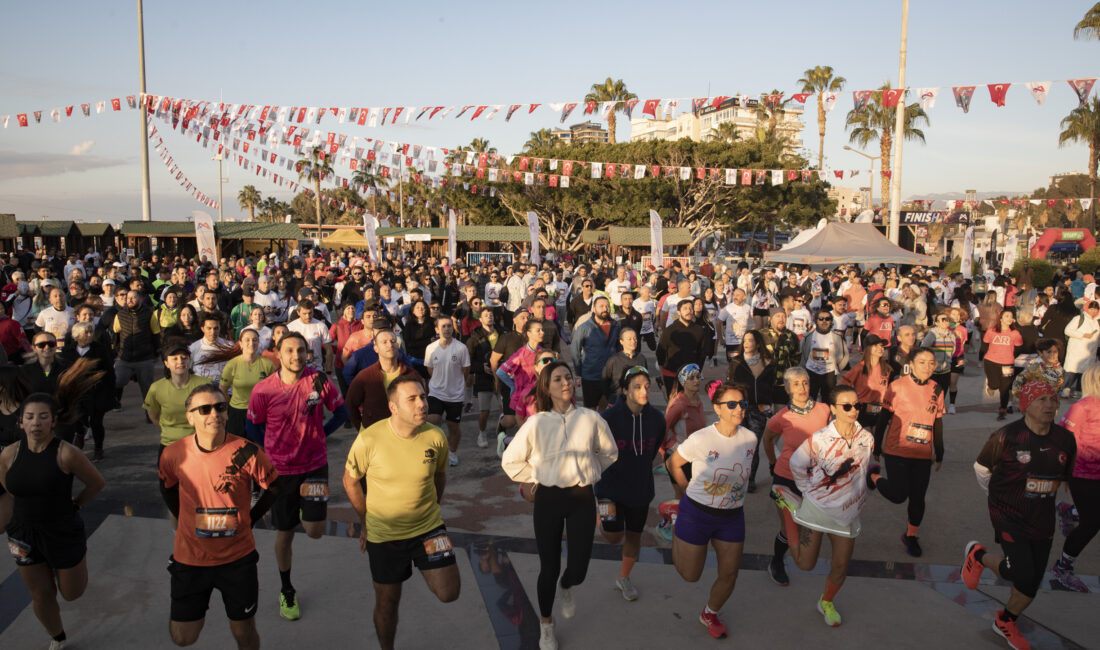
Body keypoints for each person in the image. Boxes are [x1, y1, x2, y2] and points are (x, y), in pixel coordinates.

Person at [501, 361, 617, 650]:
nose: (565, 382)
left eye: (568, 377)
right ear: (546, 387)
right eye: (557, 379)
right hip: (548, 500)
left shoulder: (591, 419)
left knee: (578, 567)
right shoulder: (536, 423)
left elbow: (609, 453)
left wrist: (591, 471)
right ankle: (546, 625)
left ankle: (568, 586)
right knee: (548, 567)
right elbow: (510, 461)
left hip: (581, 499)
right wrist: (536, 476)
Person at [158, 384, 282, 650]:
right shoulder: (172, 454)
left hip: (237, 561)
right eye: (204, 409)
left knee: (243, 632)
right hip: (190, 560)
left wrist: (249, 516)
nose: (214, 413)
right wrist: (183, 518)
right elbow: (167, 488)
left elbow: (272, 488)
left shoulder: (248, 451)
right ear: (190, 417)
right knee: (183, 637)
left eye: (220, 407)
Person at [342, 376, 460, 650]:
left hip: (429, 529)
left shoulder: (435, 436)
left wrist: (432, 511)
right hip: (385, 536)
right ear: (393, 407)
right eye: (412, 399)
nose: (422, 403)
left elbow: (439, 478)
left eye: (423, 396)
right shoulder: (369, 439)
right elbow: (350, 480)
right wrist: (365, 520)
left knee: (450, 592)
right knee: (387, 603)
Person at [962, 381, 1076, 650]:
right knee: (1023, 573)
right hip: (1008, 513)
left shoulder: (1064, 439)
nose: (1049, 405)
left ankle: (1005, 621)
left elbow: (1065, 477)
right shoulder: (1007, 436)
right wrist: (995, 495)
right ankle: (978, 556)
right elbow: (981, 467)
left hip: (1042, 517)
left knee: (1032, 583)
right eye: (1041, 400)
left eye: (1053, 399)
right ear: (1026, 404)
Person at [245, 333, 348, 620]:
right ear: (277, 353)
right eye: (289, 350)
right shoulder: (263, 390)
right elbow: (252, 427)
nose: (296, 355)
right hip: (280, 474)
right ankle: (286, 589)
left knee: (314, 531)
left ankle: (307, 506)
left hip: (314, 466)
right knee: (285, 533)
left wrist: (320, 436)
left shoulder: (319, 381)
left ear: (308, 352)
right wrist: (270, 448)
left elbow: (341, 413)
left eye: (301, 350)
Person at [0, 392, 105, 650]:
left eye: (43, 417)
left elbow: (96, 483)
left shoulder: (67, 453)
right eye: (30, 417)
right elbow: (7, 486)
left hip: (62, 531)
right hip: (23, 533)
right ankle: (57, 636)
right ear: (21, 422)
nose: (36, 422)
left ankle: (72, 565)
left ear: (53, 422)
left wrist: (76, 504)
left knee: (71, 593)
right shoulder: (9, 454)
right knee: (40, 593)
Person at [770, 385, 874, 627]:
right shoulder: (820, 438)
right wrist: (807, 489)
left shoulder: (867, 438)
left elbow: (864, 470)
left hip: (847, 515)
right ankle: (789, 508)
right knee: (805, 564)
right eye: (846, 406)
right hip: (817, 509)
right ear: (834, 409)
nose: (853, 410)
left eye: (857, 405)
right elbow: (797, 463)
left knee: (840, 566)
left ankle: (826, 602)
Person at [666, 382, 756, 640]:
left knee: (730, 573)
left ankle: (710, 613)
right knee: (690, 575)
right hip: (696, 513)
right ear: (717, 408)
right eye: (731, 404)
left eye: (742, 404)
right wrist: (684, 494)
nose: (739, 409)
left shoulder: (750, 439)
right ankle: (674, 520)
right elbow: (674, 463)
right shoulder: (701, 439)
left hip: (732, 517)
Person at [596, 365, 665, 601]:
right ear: (624, 390)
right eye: (637, 387)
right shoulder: (607, 419)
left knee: (634, 535)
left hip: (640, 489)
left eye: (647, 386)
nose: (644, 391)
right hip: (608, 490)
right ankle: (600, 517)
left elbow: (653, 449)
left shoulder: (657, 419)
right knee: (613, 535)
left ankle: (624, 577)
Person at [868, 347, 945, 557]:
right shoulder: (897, 386)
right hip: (896, 449)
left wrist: (940, 450)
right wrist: (877, 443)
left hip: (922, 454)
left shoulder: (937, 388)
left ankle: (911, 536)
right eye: (922, 362)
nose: (927, 367)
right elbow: (884, 417)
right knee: (898, 495)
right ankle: (874, 476)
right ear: (911, 364)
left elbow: (937, 422)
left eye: (931, 363)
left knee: (918, 498)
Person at [761, 367, 831, 586]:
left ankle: (798, 557)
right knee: (788, 527)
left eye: (805, 383)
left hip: (815, 479)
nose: (802, 388)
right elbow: (767, 440)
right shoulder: (781, 417)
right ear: (788, 388)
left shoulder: (824, 410)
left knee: (804, 527)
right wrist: (773, 462)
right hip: (786, 478)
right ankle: (777, 562)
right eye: (796, 383)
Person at [1050, 364, 1100, 592]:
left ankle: (1070, 511)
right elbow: (1063, 439)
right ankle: (1063, 567)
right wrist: (1061, 474)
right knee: (1092, 524)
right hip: (1083, 473)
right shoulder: (1083, 407)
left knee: (1092, 515)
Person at [726, 329, 776, 493]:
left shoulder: (768, 363)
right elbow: (729, 385)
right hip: (739, 408)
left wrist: (769, 404)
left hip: (758, 410)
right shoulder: (736, 362)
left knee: (752, 445)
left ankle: (751, 478)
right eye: (745, 341)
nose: (747, 344)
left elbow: (772, 386)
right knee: (738, 444)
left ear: (758, 343)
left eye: (751, 340)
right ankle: (737, 476)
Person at [60, 322, 114, 459]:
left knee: (96, 423)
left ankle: (98, 448)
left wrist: (111, 393)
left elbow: (109, 371)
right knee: (77, 419)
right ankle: (80, 434)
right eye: (86, 332)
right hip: (77, 394)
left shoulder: (99, 350)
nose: (90, 335)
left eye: (91, 332)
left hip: (97, 392)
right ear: (77, 335)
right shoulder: (68, 352)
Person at [424, 316, 471, 466]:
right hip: (436, 392)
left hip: (455, 395)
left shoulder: (461, 348)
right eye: (443, 326)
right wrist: (439, 381)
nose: (447, 329)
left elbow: (466, 370)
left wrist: (455, 383)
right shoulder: (431, 348)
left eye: (449, 326)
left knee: (453, 427)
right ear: (437, 329)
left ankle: (452, 453)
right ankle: (431, 450)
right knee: (432, 420)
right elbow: (430, 369)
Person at [219, 329, 276, 438]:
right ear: (240, 344)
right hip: (237, 413)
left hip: (259, 412)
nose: (251, 343)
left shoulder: (267, 364)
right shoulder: (232, 364)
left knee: (259, 448)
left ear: (259, 343)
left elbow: (274, 391)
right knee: (237, 448)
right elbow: (222, 390)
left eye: (255, 340)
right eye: (247, 340)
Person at [570, 296, 621, 409]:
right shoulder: (585, 327)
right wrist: (579, 370)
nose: (605, 309)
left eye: (607, 306)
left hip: (609, 375)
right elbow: (574, 350)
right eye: (601, 306)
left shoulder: (615, 326)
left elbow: (619, 348)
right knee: (589, 409)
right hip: (590, 375)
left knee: (605, 408)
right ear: (594, 309)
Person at [656, 300, 706, 398]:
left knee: (689, 403)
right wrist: (663, 373)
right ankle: (662, 386)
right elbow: (660, 352)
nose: (689, 311)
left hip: (691, 375)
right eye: (685, 309)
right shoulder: (670, 330)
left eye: (691, 308)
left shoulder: (699, 330)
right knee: (673, 403)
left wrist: (697, 371)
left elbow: (702, 353)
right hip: (672, 374)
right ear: (678, 312)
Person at [842, 334, 891, 431]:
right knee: (866, 439)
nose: (880, 348)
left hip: (881, 409)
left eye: (881, 346)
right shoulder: (860, 368)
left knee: (876, 441)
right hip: (863, 409)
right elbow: (843, 386)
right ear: (868, 348)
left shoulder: (887, 368)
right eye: (875, 346)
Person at [465, 307, 499, 449]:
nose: (489, 317)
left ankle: (501, 433)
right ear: (480, 319)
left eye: (491, 315)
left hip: (501, 377)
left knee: (507, 408)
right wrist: (481, 368)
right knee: (484, 410)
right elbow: (467, 361)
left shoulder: (502, 332)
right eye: (486, 315)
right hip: (484, 378)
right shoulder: (474, 337)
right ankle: (482, 433)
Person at [983, 308, 1024, 420]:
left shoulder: (1015, 333)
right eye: (1006, 316)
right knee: (995, 385)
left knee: (1005, 388)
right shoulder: (991, 330)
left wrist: (1010, 356)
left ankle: (1003, 410)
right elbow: (985, 344)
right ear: (1000, 319)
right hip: (991, 361)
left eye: (1011, 316)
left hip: (1007, 363)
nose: (1009, 319)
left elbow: (1019, 346)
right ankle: (990, 386)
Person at [801, 309, 849, 401]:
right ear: (816, 320)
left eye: (827, 319)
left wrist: (837, 368)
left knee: (828, 400)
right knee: (810, 399)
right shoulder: (807, 336)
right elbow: (802, 353)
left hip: (829, 373)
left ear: (831, 321)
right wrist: (804, 368)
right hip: (811, 372)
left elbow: (845, 355)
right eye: (821, 319)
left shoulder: (837, 337)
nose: (824, 321)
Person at [1062, 300, 1099, 398]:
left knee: (1084, 372)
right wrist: (1082, 335)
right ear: (1087, 308)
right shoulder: (1078, 319)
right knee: (1072, 371)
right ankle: (1066, 389)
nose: (1093, 311)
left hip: (1090, 351)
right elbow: (1068, 330)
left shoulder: (1097, 322)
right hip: (1077, 350)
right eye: (1091, 308)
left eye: (1095, 309)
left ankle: (1079, 390)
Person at [287, 299, 333, 374]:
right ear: (298, 313)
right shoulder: (291, 327)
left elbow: (329, 349)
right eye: (304, 314)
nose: (308, 316)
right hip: (297, 369)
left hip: (316, 369)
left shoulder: (321, 326)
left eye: (310, 313)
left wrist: (328, 369)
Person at [922, 310, 958, 396]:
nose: (945, 322)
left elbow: (953, 350)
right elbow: (923, 349)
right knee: (930, 395)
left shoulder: (952, 335)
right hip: (933, 371)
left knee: (942, 394)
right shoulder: (932, 334)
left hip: (946, 371)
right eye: (943, 320)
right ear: (936, 323)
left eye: (947, 319)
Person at [190, 313, 232, 384]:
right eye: (209, 328)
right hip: (201, 389)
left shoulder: (229, 346)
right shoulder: (194, 348)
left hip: (224, 389)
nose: (213, 332)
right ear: (202, 329)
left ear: (220, 328)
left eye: (216, 328)